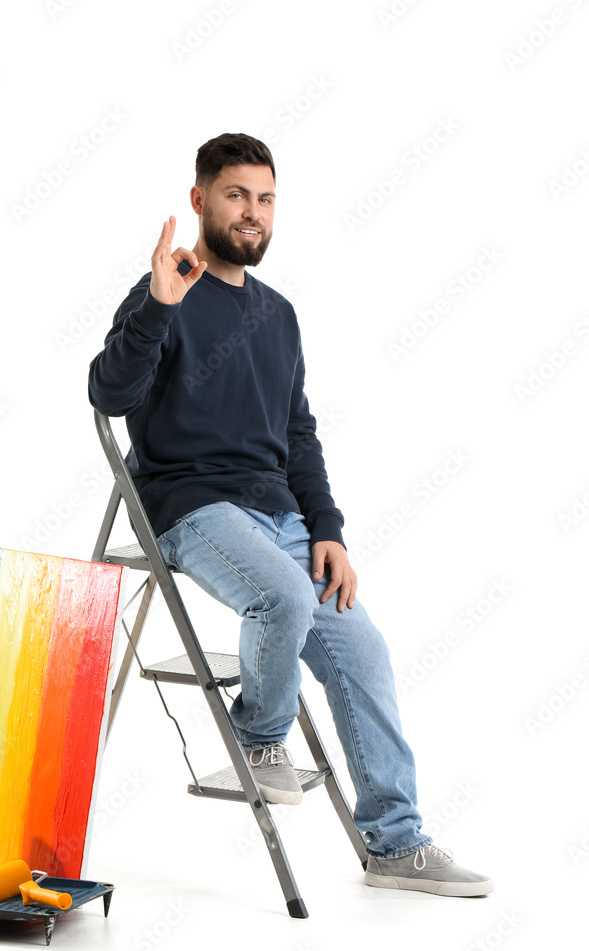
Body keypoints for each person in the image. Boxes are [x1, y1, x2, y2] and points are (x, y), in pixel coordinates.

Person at [88, 133, 493, 897]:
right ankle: (259, 736)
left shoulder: (278, 315)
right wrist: (153, 310)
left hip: (280, 515)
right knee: (280, 595)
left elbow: (297, 434)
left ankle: (395, 844)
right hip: (191, 506)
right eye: (236, 195)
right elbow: (107, 397)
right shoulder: (163, 294)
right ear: (199, 199)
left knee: (362, 648)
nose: (252, 213)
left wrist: (330, 530)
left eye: (264, 199)